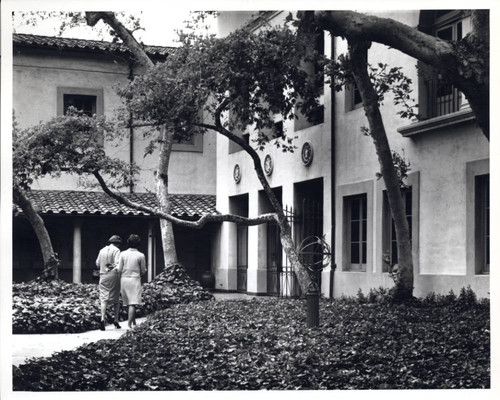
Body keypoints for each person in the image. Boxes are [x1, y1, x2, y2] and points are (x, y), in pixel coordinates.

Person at [117, 234, 147, 328]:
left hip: (124, 279)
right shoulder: (141, 255)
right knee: (133, 303)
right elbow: (143, 270)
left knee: (128, 303)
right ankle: (129, 325)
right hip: (134, 279)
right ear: (138, 243)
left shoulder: (122, 254)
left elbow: (119, 269)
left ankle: (133, 322)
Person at [96, 235, 122, 331]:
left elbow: (97, 263)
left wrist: (104, 268)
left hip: (102, 275)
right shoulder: (117, 250)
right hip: (113, 275)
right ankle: (116, 320)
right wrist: (109, 268)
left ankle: (102, 319)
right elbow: (117, 263)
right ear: (117, 243)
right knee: (116, 299)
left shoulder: (102, 250)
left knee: (103, 298)